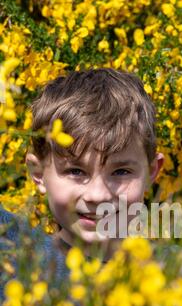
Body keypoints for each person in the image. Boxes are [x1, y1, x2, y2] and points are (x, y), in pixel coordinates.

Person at [25, 68, 165, 263]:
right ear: (38, 173)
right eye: (75, 171)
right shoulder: (15, 265)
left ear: (151, 172)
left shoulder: (181, 279)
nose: (98, 196)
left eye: (121, 171)